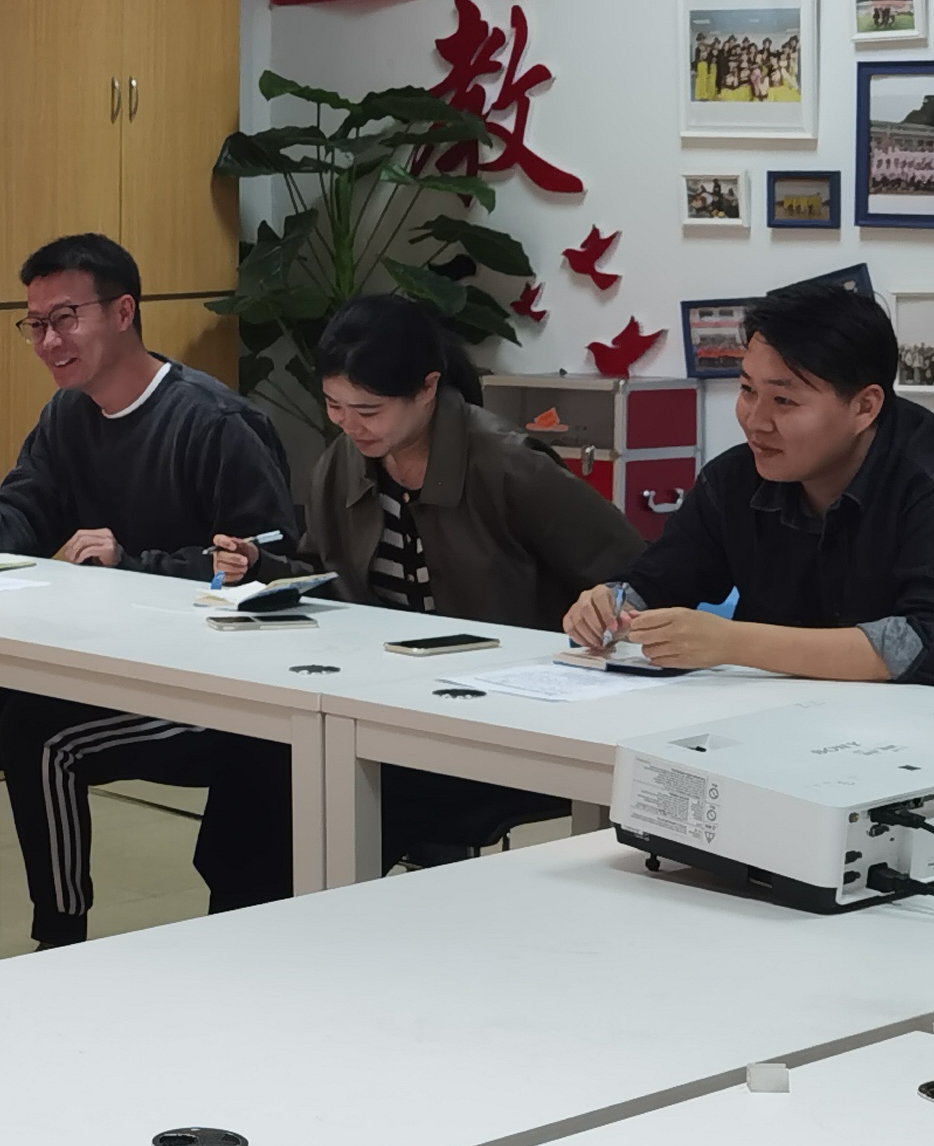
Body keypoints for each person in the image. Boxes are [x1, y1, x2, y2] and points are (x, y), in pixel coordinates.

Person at [0, 234, 298, 987]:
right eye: (34, 324)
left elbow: (273, 566)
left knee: (37, 731)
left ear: (123, 312)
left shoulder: (214, 423)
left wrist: (136, 562)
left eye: (65, 319)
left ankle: (61, 949)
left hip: (213, 689)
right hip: (112, 664)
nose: (48, 342)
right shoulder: (68, 415)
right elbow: (28, 502)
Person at [205, 291, 643, 866]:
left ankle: (317, 911)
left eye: (369, 410)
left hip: (500, 714)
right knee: (250, 765)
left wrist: (599, 615)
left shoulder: (509, 464)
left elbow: (633, 572)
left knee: (339, 796)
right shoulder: (342, 464)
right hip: (387, 698)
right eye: (335, 406)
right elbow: (330, 577)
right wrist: (262, 568)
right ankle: (256, 918)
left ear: (428, 388)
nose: (349, 425)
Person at [563, 275, 934, 690]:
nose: (756, 421)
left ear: (864, 407)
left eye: (784, 401)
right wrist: (611, 603)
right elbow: (659, 580)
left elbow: (931, 643)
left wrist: (732, 642)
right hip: (792, 715)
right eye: (747, 390)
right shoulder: (735, 479)